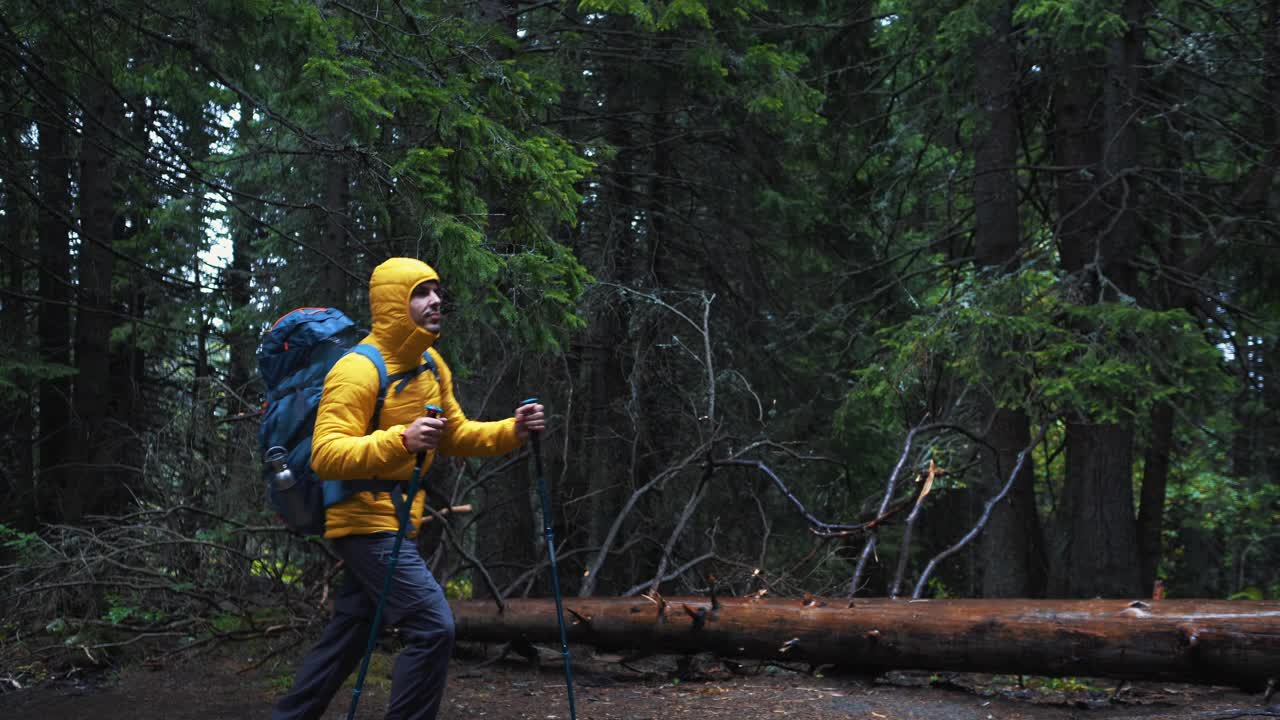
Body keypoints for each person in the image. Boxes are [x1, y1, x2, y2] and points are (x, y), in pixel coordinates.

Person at [272, 257, 544, 720]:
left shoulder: (431, 365)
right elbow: (327, 454)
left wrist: (512, 431)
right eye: (421, 292)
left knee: (350, 633)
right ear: (394, 304)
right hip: (362, 523)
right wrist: (401, 440)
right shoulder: (356, 369)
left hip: (399, 521)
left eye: (437, 291)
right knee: (433, 627)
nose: (435, 300)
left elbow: (455, 434)